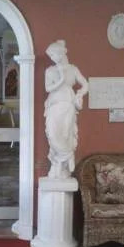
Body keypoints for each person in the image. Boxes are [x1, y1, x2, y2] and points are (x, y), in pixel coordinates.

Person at [44, 40, 89, 179]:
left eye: (53, 55)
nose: (52, 58)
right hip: (54, 105)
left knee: (65, 134)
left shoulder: (73, 69)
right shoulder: (50, 70)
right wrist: (60, 80)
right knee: (52, 134)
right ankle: (67, 155)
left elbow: (85, 84)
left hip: (68, 104)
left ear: (61, 53)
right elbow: (47, 88)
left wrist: (80, 94)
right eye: (51, 56)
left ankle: (61, 165)